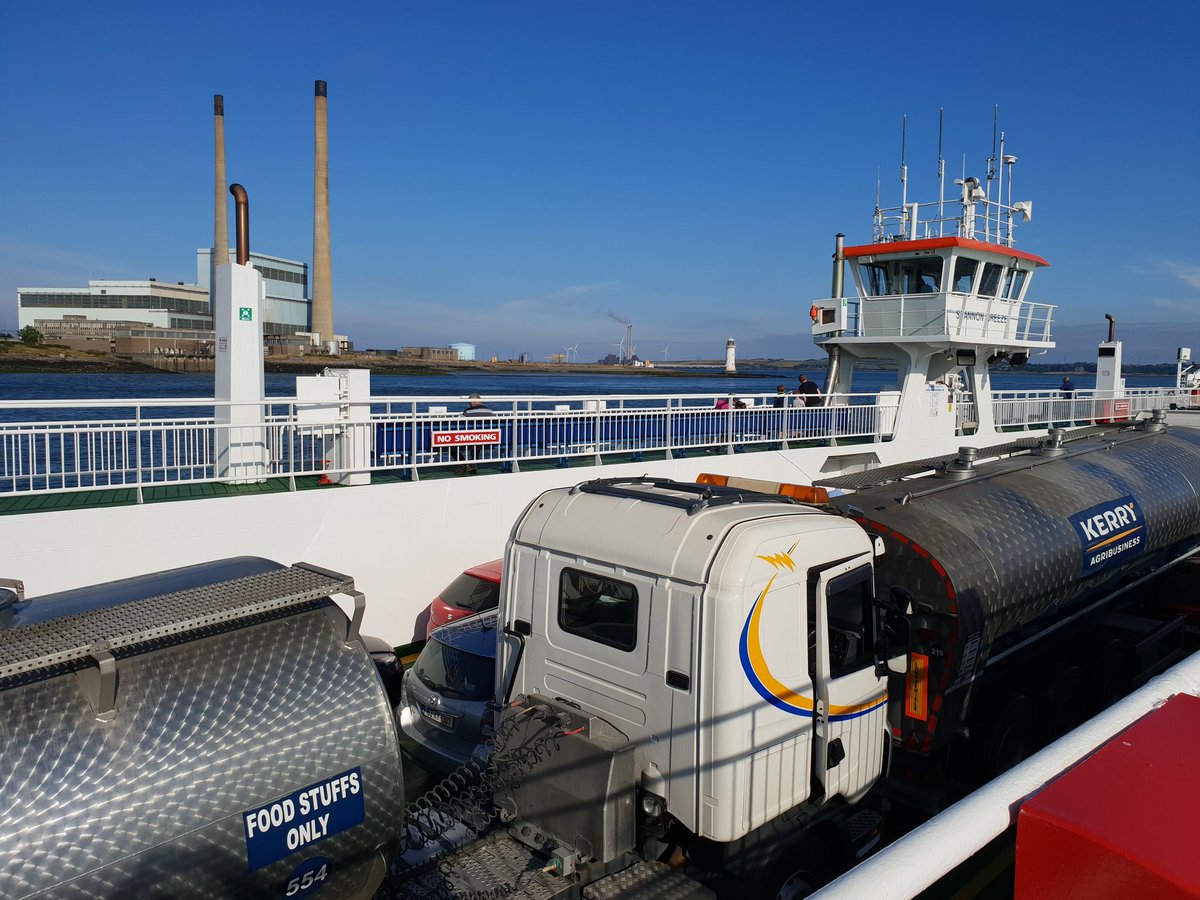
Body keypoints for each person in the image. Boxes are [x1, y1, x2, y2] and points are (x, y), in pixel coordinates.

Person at [457, 392, 494, 473]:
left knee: (452, 444)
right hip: (488, 438)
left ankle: (463, 464)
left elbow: (461, 425)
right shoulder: (490, 411)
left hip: (473, 438)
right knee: (477, 440)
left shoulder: (468, 412)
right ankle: (473, 463)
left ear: (471, 402)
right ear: (480, 401)